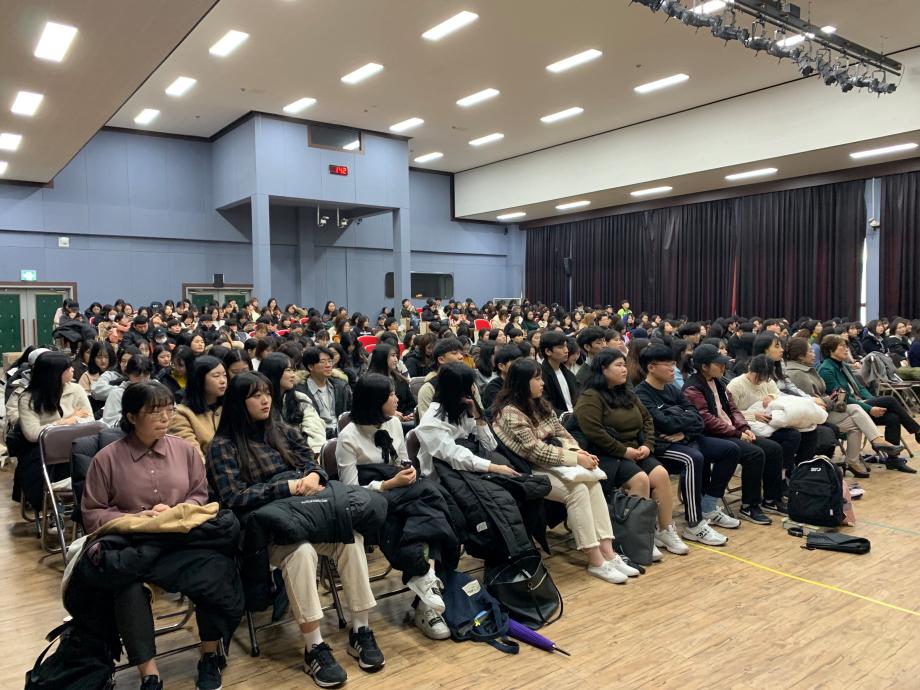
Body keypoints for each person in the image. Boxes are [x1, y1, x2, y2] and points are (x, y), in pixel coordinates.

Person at [207, 372, 385, 687]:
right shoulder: (223, 446)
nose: (265, 400)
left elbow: (311, 463)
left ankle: (361, 629)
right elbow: (233, 498)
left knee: (351, 539)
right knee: (301, 553)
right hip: (269, 529)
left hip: (309, 515)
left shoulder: (282, 431)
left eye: (267, 393)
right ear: (237, 403)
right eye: (255, 395)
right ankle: (314, 647)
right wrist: (287, 487)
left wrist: (315, 475)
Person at [81, 381, 243, 690]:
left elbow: (199, 495)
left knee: (216, 568)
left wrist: (176, 511)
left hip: (180, 539)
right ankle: (149, 673)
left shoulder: (184, 450)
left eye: (169, 410)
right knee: (127, 586)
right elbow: (93, 513)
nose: (165, 417)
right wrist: (134, 518)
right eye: (155, 412)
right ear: (131, 416)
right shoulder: (107, 459)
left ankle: (210, 653)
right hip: (137, 545)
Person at [336, 374, 458, 641]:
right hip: (372, 500)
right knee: (430, 502)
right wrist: (389, 484)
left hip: (402, 492)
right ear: (374, 401)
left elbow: (403, 460)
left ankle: (425, 587)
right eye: (390, 395)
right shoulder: (348, 437)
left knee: (428, 508)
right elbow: (351, 491)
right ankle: (426, 586)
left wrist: (408, 472)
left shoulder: (393, 423)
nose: (397, 399)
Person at [493, 358, 637, 583]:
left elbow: (562, 432)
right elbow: (535, 451)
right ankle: (595, 560)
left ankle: (609, 553)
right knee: (577, 490)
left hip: (556, 462)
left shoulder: (540, 403)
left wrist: (579, 452)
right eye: (537, 378)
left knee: (592, 482)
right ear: (521, 382)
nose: (542, 383)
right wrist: (575, 458)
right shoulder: (510, 413)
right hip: (528, 470)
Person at [573, 349, 689, 555]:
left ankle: (664, 530)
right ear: (603, 369)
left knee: (661, 475)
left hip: (635, 450)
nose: (624, 369)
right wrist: (623, 451)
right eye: (618, 365)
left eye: (624, 365)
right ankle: (639, 537)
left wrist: (648, 446)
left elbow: (647, 420)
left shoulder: (627, 392)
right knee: (640, 480)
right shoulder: (590, 397)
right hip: (605, 454)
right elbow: (594, 432)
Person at [635, 344, 739, 544]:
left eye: (674, 364)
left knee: (730, 449)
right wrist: (681, 417)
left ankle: (708, 506)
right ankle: (694, 523)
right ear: (651, 367)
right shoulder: (641, 394)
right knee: (693, 459)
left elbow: (697, 418)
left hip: (685, 438)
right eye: (668, 365)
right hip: (661, 445)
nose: (673, 369)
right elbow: (663, 424)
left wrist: (683, 430)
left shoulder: (672, 388)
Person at [683, 344, 786, 525]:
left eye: (723, 363)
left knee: (774, 449)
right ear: (704, 366)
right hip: (710, 435)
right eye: (718, 364)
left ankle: (771, 499)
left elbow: (732, 409)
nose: (723, 367)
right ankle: (749, 505)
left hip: (730, 431)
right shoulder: (693, 388)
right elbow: (706, 420)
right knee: (754, 454)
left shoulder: (719, 382)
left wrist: (744, 428)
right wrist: (737, 433)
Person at [784, 336, 902, 476]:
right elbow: (812, 402)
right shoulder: (801, 373)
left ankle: (862, 454)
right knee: (874, 407)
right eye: (810, 351)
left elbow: (854, 390)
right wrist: (832, 399)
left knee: (864, 414)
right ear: (800, 356)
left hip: (829, 408)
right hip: (815, 416)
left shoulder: (811, 369)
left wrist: (833, 399)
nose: (814, 353)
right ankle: (871, 446)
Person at [818, 334, 920, 473]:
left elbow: (860, 388)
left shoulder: (843, 365)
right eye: (842, 346)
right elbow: (841, 399)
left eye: (846, 346)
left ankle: (893, 460)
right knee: (890, 400)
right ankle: (917, 431)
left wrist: (872, 402)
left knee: (893, 418)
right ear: (830, 350)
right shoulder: (826, 370)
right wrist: (869, 407)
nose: (846, 349)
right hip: (847, 410)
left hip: (860, 404)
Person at [15, 351, 93, 509]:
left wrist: (59, 426)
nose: (73, 369)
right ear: (54, 373)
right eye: (68, 368)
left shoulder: (76, 390)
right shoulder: (28, 399)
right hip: (41, 451)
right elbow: (33, 434)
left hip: (75, 446)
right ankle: (52, 504)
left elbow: (89, 420)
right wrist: (68, 421)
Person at [414, 363, 519, 479]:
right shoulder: (430, 422)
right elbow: (454, 455)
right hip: (443, 476)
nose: (474, 389)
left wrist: (478, 416)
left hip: (471, 468)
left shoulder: (462, 408)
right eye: (470, 385)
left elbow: (490, 446)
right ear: (456, 390)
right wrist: (494, 468)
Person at [726, 355, 815, 476]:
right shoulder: (736, 385)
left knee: (807, 432)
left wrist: (772, 397)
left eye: (765, 377)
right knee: (790, 437)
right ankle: (778, 473)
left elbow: (778, 395)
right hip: (748, 424)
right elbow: (730, 413)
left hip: (769, 421)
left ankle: (796, 472)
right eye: (759, 376)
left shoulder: (767, 381)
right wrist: (753, 415)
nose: (761, 380)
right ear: (750, 369)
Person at [258, 352, 327, 456]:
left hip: (304, 454)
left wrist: (314, 454)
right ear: (274, 372)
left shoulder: (300, 398)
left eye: (293, 370)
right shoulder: (261, 402)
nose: (293, 375)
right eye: (288, 370)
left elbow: (314, 430)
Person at [168, 356, 226, 459]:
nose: (223, 381)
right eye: (216, 376)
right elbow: (194, 457)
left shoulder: (230, 406)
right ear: (199, 379)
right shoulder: (182, 414)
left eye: (224, 375)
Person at [300, 347, 353, 436]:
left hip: (343, 433)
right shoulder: (301, 391)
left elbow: (351, 412)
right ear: (310, 366)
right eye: (322, 362)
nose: (328, 365)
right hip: (316, 435)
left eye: (330, 361)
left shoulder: (341, 386)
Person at [415, 338, 468, 418]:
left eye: (461, 353)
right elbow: (427, 424)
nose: (461, 357)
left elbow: (480, 418)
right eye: (454, 353)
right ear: (441, 359)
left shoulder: (468, 383)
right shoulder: (428, 389)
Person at [367, 344, 415, 424]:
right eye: (392, 356)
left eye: (396, 356)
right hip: (379, 423)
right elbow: (368, 408)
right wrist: (390, 414)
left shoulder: (400, 379)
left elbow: (410, 404)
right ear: (382, 358)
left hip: (403, 422)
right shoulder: (369, 382)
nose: (396, 360)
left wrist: (408, 415)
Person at [101, 355, 153, 428]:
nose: (141, 380)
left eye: (146, 375)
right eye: (136, 376)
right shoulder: (117, 394)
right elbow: (110, 423)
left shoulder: (155, 390)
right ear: (128, 374)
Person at [539, 330, 579, 416]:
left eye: (566, 346)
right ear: (548, 351)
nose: (566, 350)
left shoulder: (568, 373)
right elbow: (545, 405)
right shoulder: (541, 376)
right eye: (561, 347)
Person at [481, 345, 522, 417]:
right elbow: (497, 414)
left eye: (521, 361)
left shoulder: (523, 381)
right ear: (501, 366)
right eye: (515, 362)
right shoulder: (493, 388)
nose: (520, 365)